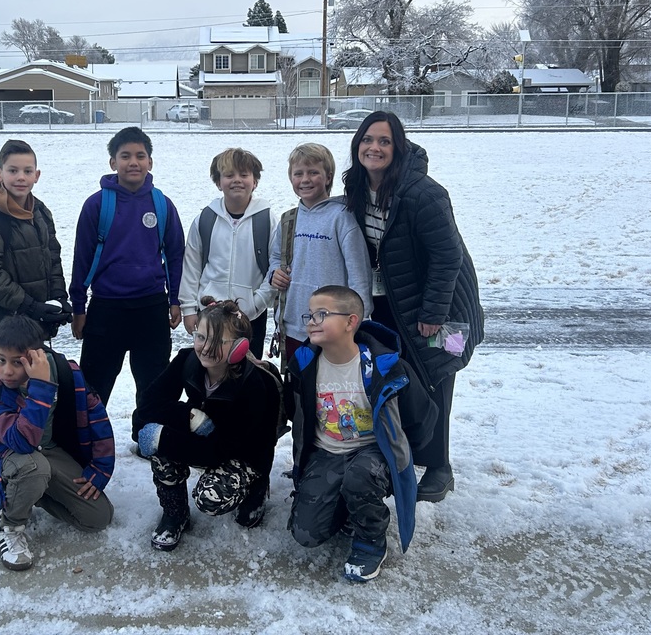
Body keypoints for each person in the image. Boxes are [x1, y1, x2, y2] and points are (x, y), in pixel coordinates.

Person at [342, 111, 484, 503]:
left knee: (438, 375)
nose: (374, 148)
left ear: (398, 148)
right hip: (394, 302)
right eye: (367, 139)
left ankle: (440, 467)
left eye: (384, 141)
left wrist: (433, 314)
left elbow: (448, 257)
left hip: (445, 308)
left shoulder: (424, 193)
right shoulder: (357, 187)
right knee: (401, 377)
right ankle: (402, 454)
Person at [286, 286, 436, 582]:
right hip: (327, 452)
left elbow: (421, 417)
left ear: (350, 322)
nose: (312, 321)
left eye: (322, 314)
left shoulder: (384, 367)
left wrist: (399, 457)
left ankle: (371, 540)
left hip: (371, 453)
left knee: (360, 478)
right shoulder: (305, 364)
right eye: (310, 315)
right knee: (306, 534)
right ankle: (346, 508)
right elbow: (296, 413)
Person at [0, 315, 115, 571]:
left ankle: (26, 493)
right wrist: (42, 386)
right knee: (33, 468)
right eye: (0, 360)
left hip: (46, 452)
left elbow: (97, 417)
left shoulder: (65, 371)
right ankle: (11, 525)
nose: (7, 371)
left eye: (17, 362)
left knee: (97, 517)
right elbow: (21, 442)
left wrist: (101, 468)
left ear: (36, 355)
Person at [133, 298, 281, 551]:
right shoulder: (187, 360)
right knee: (159, 447)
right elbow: (147, 405)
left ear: (239, 347)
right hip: (206, 440)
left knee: (210, 498)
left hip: (243, 453)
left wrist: (164, 437)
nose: (206, 347)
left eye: (218, 341)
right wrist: (190, 416)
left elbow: (220, 450)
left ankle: (255, 488)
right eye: (201, 337)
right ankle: (175, 513)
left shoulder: (254, 385)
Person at [69, 126, 186, 408]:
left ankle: (148, 431)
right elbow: (82, 259)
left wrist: (175, 300)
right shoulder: (96, 205)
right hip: (106, 308)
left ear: (150, 162)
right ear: (113, 162)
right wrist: (78, 308)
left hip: (151, 308)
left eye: (140, 156)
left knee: (154, 388)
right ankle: (90, 433)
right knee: (93, 388)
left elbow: (175, 256)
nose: (133, 162)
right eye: (125, 156)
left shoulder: (162, 205)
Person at [268, 143, 372, 367]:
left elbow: (359, 275)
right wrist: (274, 274)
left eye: (313, 172)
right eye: (298, 173)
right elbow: (275, 258)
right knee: (297, 386)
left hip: (333, 329)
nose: (305, 179)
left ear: (328, 177)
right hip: (293, 327)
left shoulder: (342, 218)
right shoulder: (288, 220)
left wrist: (359, 322)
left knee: (329, 387)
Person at [0, 139, 71, 343]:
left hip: (35, 322)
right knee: (10, 366)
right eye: (13, 171)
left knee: (38, 365)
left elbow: (53, 259)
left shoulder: (40, 212)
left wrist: (59, 296)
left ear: (36, 176)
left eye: (27, 171)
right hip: (2, 325)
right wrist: (30, 306)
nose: (21, 177)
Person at [180, 148, 277, 357]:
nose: (237, 180)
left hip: (250, 317)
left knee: (247, 371)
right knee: (209, 367)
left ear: (255, 181)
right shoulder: (205, 219)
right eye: (229, 175)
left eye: (244, 174)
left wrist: (256, 304)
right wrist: (188, 309)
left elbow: (275, 267)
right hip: (209, 313)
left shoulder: (267, 220)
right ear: (218, 182)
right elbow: (191, 266)